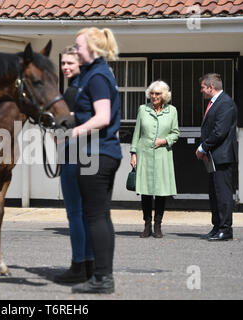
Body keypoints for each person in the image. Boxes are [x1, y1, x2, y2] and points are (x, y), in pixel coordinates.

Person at [69, 27, 122, 294]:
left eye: (78, 46)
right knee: (101, 217)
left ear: (93, 48)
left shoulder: (98, 75)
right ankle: (103, 277)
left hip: (97, 154)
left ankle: (102, 279)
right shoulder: (98, 73)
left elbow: (102, 117)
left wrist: (72, 132)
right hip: (104, 153)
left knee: (96, 217)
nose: (75, 50)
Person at [54, 46, 95, 284]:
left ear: (80, 63)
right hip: (89, 156)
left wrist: (58, 129)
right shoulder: (89, 86)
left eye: (70, 63)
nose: (66, 67)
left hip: (74, 155)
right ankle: (88, 264)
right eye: (63, 63)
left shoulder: (74, 91)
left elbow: (68, 126)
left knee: (75, 213)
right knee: (86, 213)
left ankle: (78, 264)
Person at [130, 81, 179, 238]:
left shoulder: (172, 111)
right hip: (144, 153)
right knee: (145, 192)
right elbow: (137, 133)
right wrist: (133, 153)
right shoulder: (143, 110)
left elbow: (175, 133)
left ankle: (158, 225)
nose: (154, 96)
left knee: (161, 192)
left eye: (157, 93)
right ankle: (146, 225)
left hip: (163, 155)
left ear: (164, 95)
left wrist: (164, 140)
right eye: (152, 93)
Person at [196, 73, 238, 241]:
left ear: (211, 87)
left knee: (223, 194)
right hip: (214, 157)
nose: (202, 91)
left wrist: (203, 147)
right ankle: (217, 226)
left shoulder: (225, 103)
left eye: (203, 88)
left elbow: (220, 131)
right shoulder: (216, 103)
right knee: (214, 194)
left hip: (222, 156)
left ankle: (225, 229)